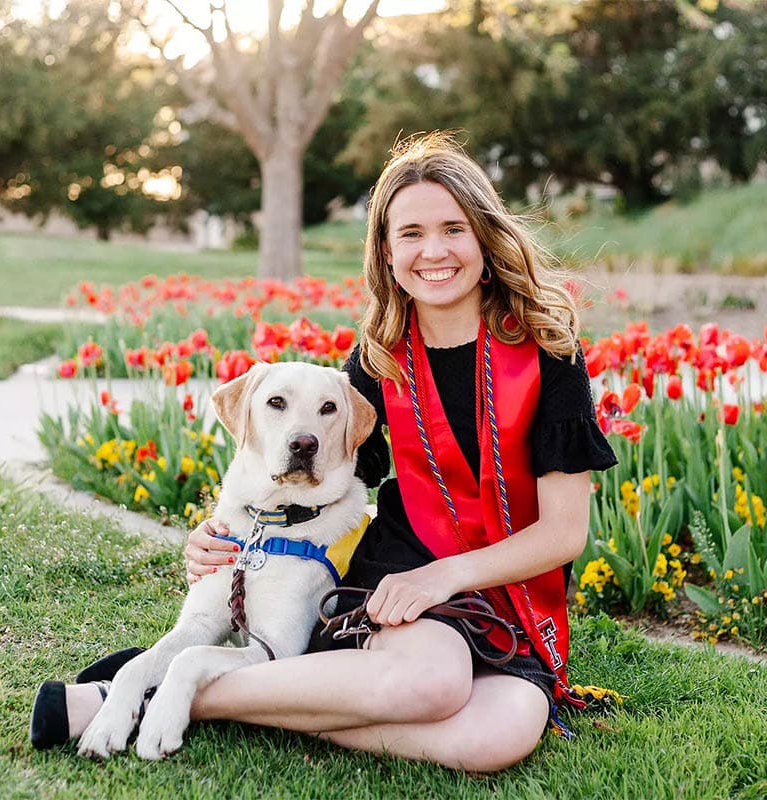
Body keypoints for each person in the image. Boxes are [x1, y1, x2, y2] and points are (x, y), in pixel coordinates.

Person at [30, 132, 617, 772]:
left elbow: (563, 533)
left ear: (484, 235)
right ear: (387, 252)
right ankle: (172, 688)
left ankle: (153, 696)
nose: (435, 250)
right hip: (398, 574)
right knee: (435, 687)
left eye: (453, 227)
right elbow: (311, 483)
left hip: (502, 590)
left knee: (495, 738)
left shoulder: (546, 354)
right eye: (411, 233)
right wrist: (223, 533)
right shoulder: (377, 361)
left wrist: (446, 575)